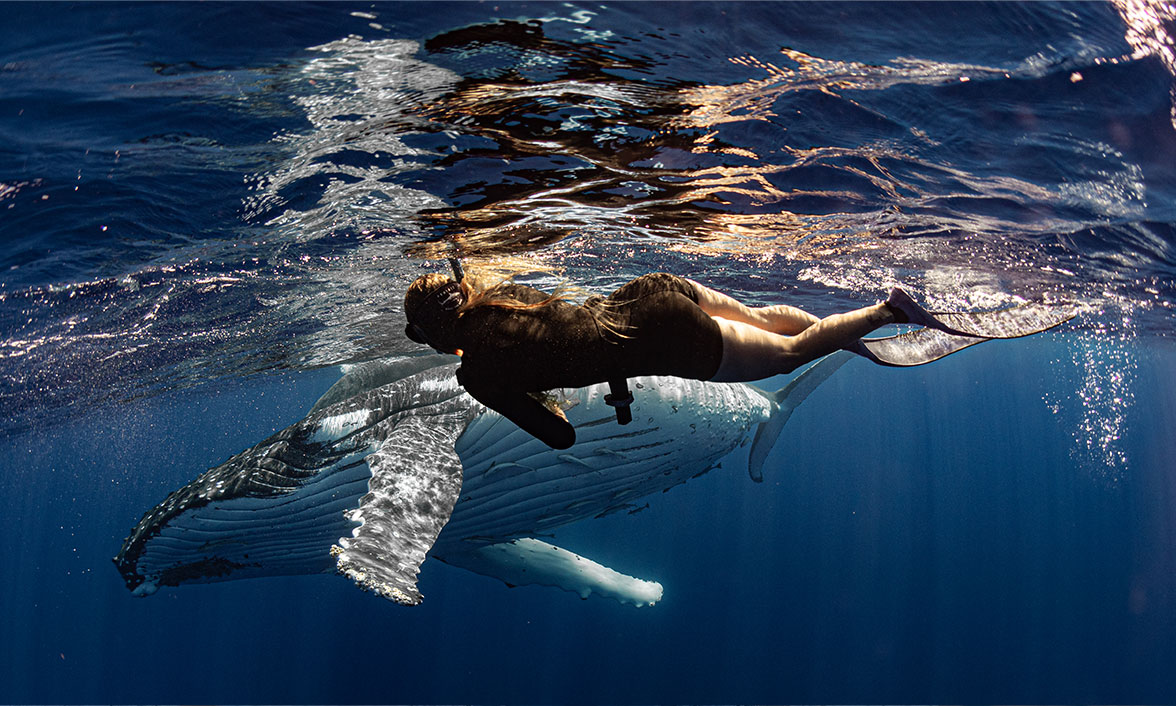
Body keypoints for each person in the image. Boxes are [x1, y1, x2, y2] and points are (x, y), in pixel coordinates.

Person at [404, 270, 953, 449]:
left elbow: (560, 436)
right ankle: (846, 329)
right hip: (651, 292)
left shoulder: (478, 374)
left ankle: (887, 311)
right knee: (763, 318)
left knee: (787, 356)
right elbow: (574, 332)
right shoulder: (505, 293)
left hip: (666, 341)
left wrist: (553, 397)